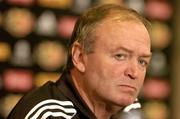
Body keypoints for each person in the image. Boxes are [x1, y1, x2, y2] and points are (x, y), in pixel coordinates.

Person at [7, 4, 152, 119]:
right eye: (120, 56)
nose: (134, 73)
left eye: (142, 62)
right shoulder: (47, 115)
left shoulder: (130, 110)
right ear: (80, 57)